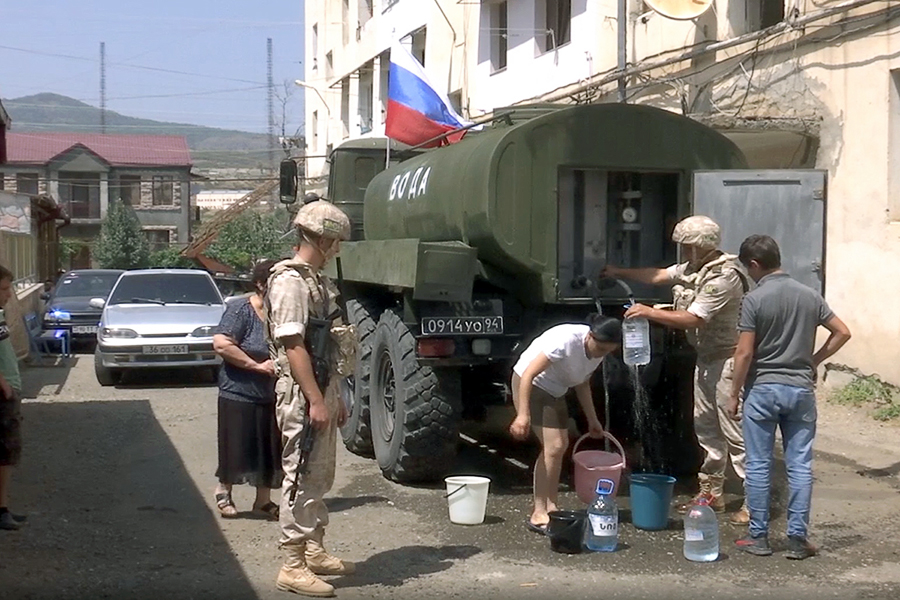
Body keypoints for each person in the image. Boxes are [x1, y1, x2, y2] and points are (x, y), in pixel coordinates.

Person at [602, 215, 751, 525]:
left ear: (701, 246)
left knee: (735, 432)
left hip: (727, 360)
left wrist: (649, 313)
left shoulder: (724, 277)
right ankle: (712, 493)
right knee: (707, 428)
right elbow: (659, 276)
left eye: (687, 246)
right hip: (707, 357)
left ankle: (755, 498)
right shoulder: (694, 269)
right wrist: (618, 272)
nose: (683, 252)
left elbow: (696, 318)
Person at [728, 235, 850, 560]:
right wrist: (815, 359)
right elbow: (843, 331)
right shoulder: (810, 295)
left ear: (754, 264)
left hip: (763, 390)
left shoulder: (754, 299)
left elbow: (743, 353)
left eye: (747, 268)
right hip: (800, 391)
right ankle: (798, 539)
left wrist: (733, 393)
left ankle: (759, 537)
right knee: (800, 466)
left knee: (758, 464)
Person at [265, 200, 356, 597]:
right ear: (320, 237)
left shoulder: (316, 279)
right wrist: (316, 400)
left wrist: (335, 395)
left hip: (321, 386)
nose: (337, 247)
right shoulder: (290, 282)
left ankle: (314, 549)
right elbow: (295, 346)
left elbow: (329, 343)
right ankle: (293, 564)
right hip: (303, 391)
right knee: (300, 474)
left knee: (319, 474)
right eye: (334, 240)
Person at [509, 314, 622, 534]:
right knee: (554, 447)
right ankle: (539, 511)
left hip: (556, 390)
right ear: (590, 336)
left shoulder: (600, 348)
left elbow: (582, 383)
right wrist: (522, 415)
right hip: (533, 384)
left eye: (607, 350)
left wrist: (593, 419)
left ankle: (551, 506)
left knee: (560, 446)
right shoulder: (565, 341)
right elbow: (529, 374)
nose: (601, 353)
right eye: (599, 348)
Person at [213, 259, 283, 520]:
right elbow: (221, 344)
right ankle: (223, 490)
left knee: (268, 448)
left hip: (271, 393)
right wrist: (256, 366)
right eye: (274, 283)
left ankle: (262, 501)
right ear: (260, 284)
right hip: (238, 391)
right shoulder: (241, 310)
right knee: (236, 445)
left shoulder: (280, 313)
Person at [0, 265, 26, 531]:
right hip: (3, 394)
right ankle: (1, 509)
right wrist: (3, 383)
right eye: (5, 289)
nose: (9, 295)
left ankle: (4, 507)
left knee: (7, 453)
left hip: (9, 390)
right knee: (6, 453)